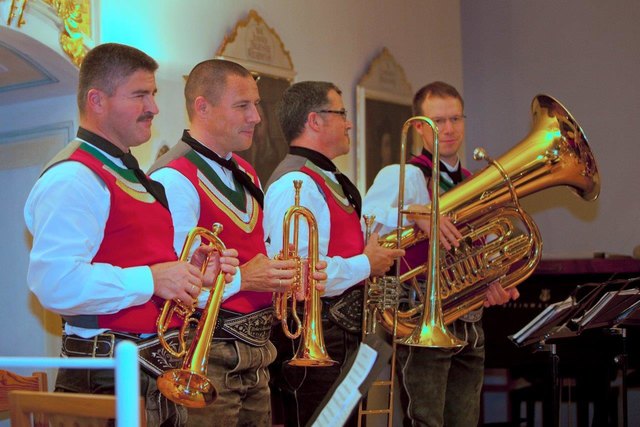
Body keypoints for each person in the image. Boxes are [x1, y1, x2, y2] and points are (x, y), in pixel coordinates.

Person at [24, 43, 239, 427]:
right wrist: (152, 278)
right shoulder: (74, 176)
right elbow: (54, 284)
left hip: (149, 368)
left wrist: (190, 275)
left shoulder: (130, 173)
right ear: (97, 101)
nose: (154, 107)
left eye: (153, 94)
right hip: (104, 374)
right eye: (140, 95)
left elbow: (140, 262)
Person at [149, 59, 325, 427]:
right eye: (243, 105)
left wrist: (289, 275)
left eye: (256, 105)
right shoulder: (173, 177)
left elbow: (257, 252)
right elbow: (175, 287)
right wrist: (246, 279)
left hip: (257, 351)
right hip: (207, 354)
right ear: (202, 107)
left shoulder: (246, 172)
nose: (256, 117)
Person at [363, 81, 520, 426]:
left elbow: (488, 248)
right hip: (421, 319)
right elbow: (367, 223)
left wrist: (494, 283)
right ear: (419, 126)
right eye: (437, 121)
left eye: (455, 119)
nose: (448, 130)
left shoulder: (472, 181)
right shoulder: (403, 175)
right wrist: (414, 214)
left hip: (470, 321)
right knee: (426, 421)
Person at [263, 80, 405, 427]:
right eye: (341, 113)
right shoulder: (294, 182)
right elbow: (301, 273)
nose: (349, 123)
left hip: (342, 333)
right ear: (314, 120)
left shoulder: (325, 177)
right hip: (318, 336)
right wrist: (366, 263)